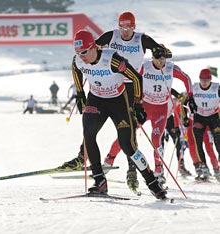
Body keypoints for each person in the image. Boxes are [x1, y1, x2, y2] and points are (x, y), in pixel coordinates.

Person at [60, 12, 172, 192]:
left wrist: (137, 104)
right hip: (97, 98)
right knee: (89, 133)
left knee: (127, 143)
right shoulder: (99, 45)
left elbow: (139, 75)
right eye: (122, 27)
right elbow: (77, 69)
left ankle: (150, 180)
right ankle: (98, 179)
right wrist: (81, 95)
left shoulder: (124, 50)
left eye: (84, 52)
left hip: (121, 95)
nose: (81, 56)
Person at [104, 47, 195, 185]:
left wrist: (190, 96)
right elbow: (131, 78)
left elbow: (186, 78)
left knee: (156, 138)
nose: (160, 62)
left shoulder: (171, 68)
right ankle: (108, 161)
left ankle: (158, 171)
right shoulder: (145, 66)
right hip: (145, 107)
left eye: (163, 59)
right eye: (157, 59)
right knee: (127, 133)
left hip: (161, 109)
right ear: (152, 57)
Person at [189, 68, 220, 181]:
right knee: (198, 143)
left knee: (218, 143)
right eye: (202, 80)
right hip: (199, 117)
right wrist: (190, 103)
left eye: (206, 80)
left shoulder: (216, 88)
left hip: (213, 117)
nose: (204, 82)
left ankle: (218, 168)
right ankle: (203, 166)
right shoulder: (195, 87)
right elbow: (186, 99)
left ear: (210, 79)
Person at [161, 93, 192, 177]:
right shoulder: (168, 99)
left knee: (178, 142)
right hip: (160, 118)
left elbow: (175, 115)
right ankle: (159, 168)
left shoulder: (179, 103)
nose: (178, 102)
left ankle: (181, 165)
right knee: (160, 145)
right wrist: (165, 132)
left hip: (169, 119)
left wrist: (176, 127)